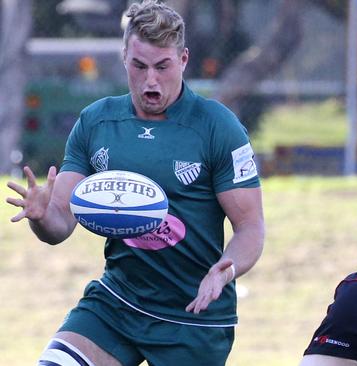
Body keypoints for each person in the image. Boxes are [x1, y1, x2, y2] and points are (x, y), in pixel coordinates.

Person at [5, 1, 264, 365]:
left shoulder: (217, 127)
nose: (151, 80)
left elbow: (251, 227)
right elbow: (60, 223)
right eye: (139, 66)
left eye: (163, 66)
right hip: (116, 304)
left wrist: (227, 269)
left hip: (192, 319)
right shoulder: (97, 122)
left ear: (184, 60)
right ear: (124, 56)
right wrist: (41, 215)